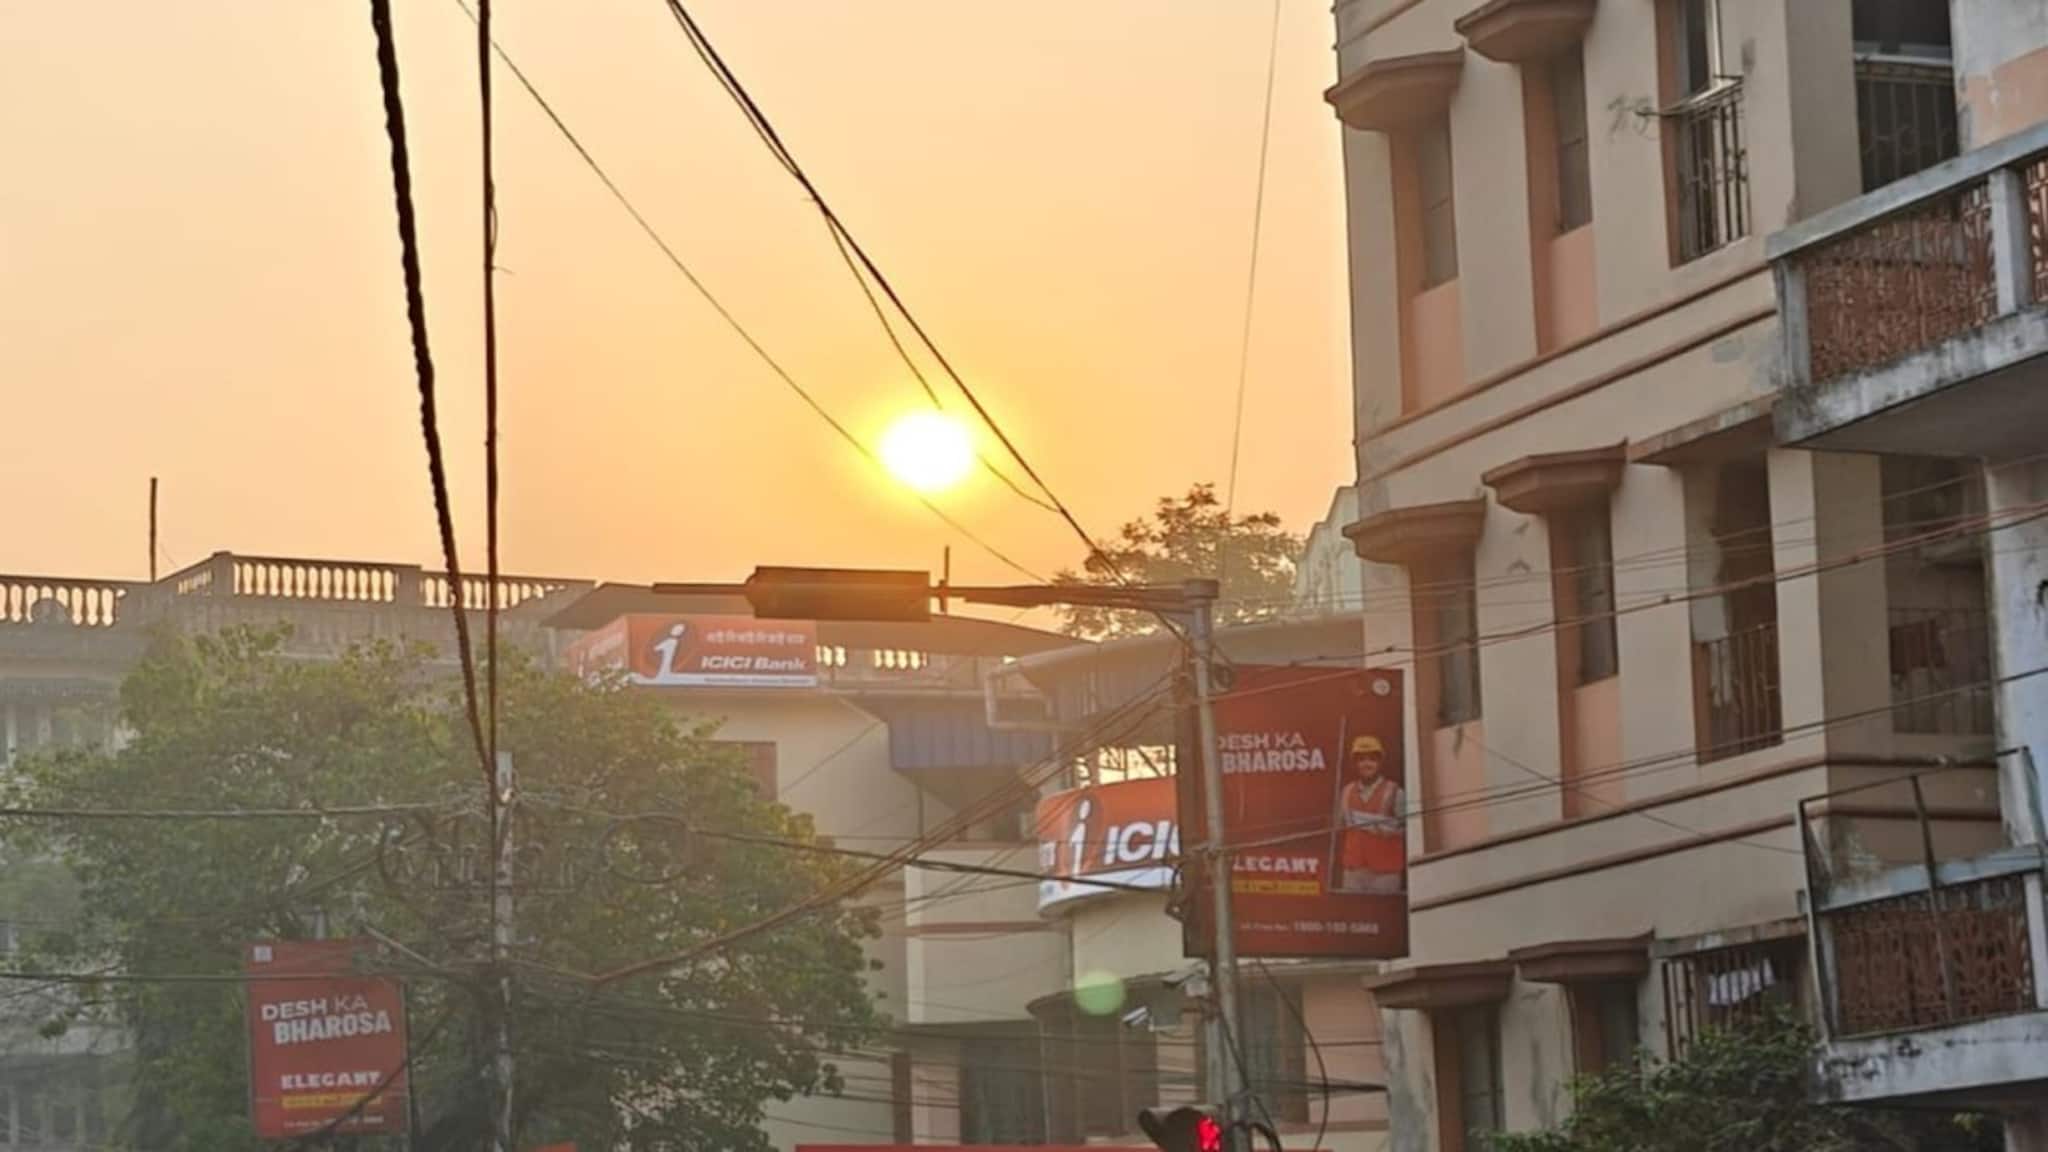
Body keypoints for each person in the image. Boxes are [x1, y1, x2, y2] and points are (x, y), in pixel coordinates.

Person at [1333, 735, 1405, 895]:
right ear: (1355, 763)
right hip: (1353, 871)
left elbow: (1407, 829)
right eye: (1361, 759)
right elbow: (1338, 827)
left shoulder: (1395, 792)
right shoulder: (1346, 791)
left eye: (1372, 759)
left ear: (1379, 762)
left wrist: (1383, 829)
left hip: (1385, 872)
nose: (1367, 764)